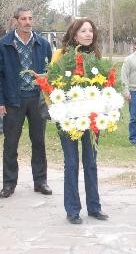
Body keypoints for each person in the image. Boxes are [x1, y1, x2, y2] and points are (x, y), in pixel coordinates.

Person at [0, 7, 52, 198]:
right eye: (23, 18)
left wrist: (51, 97)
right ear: (16, 20)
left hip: (36, 99)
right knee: (10, 143)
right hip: (12, 100)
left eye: (30, 18)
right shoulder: (3, 44)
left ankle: (40, 181)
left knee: (39, 142)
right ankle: (9, 184)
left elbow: (52, 70)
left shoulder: (42, 44)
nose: (27, 22)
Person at [52, 18, 108, 224]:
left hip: (92, 118)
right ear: (74, 34)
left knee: (91, 162)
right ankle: (73, 210)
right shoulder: (61, 55)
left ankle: (94, 207)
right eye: (83, 31)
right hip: (68, 119)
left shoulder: (96, 56)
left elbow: (104, 86)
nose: (88, 34)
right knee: (72, 163)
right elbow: (51, 85)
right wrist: (59, 110)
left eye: (91, 31)